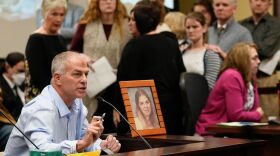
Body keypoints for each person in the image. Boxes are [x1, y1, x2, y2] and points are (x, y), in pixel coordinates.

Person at [4, 52, 121, 155]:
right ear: (58, 78)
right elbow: (42, 151)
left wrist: (102, 145)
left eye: (86, 74)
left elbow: (83, 141)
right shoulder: (40, 108)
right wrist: (80, 144)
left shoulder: (77, 103)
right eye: (77, 74)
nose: (84, 79)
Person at [114, 1, 186, 135]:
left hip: (146, 114)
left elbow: (123, 79)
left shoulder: (134, 46)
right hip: (173, 111)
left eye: (132, 20)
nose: (129, 23)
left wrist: (117, 107)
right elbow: (182, 73)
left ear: (141, 22)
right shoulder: (170, 42)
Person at [70, 0, 132, 132]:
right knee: (92, 128)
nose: (108, 2)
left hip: (118, 85)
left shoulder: (127, 24)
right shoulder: (86, 23)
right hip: (93, 85)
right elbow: (73, 51)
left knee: (116, 130)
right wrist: (83, 57)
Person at [195, 42, 264, 135]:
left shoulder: (251, 77)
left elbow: (255, 110)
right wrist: (257, 114)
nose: (259, 61)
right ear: (243, 60)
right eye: (254, 58)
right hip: (212, 132)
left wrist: (256, 114)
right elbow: (237, 115)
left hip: (232, 132)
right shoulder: (231, 76)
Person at [240, 0, 280, 116]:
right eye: (254, 0)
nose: (258, 3)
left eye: (262, 0)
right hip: (243, 77)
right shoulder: (242, 24)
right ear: (250, 2)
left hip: (265, 78)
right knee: (243, 117)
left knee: (267, 119)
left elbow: (266, 50)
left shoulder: (276, 24)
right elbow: (236, 49)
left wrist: (244, 45)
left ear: (270, 4)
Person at [25, 0, 67, 102]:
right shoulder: (36, 38)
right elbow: (38, 76)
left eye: (62, 15)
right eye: (54, 14)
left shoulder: (60, 38)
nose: (58, 19)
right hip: (41, 99)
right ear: (44, 13)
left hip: (60, 95)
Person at [183, 12, 221, 89]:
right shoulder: (182, 51)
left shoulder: (211, 54)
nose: (191, 30)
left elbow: (210, 85)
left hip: (201, 97)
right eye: (188, 27)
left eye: (195, 27)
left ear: (204, 28)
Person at [0, 52, 25, 151]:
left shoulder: (21, 85)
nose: (22, 75)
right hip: (4, 125)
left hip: (18, 122)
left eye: (24, 71)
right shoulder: (1, 85)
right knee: (14, 133)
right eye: (20, 71)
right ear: (7, 67)